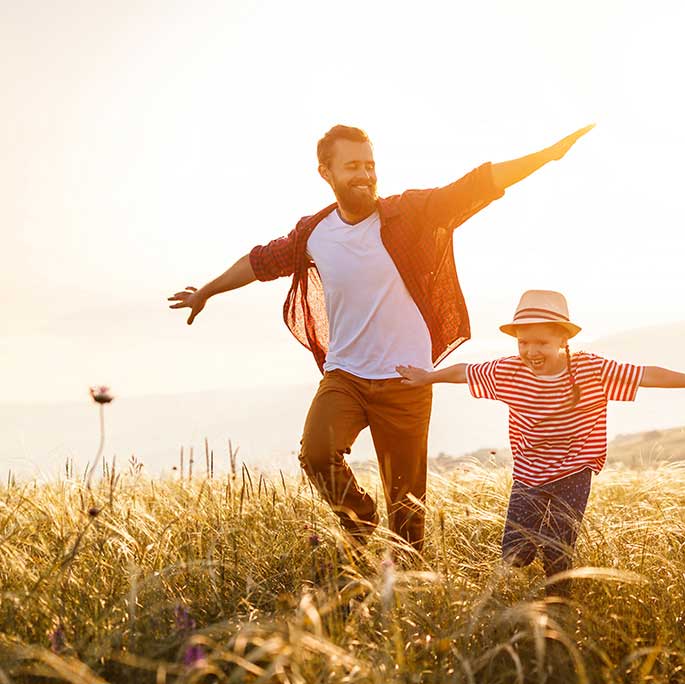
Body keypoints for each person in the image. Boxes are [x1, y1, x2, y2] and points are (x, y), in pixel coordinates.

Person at [168, 124, 594, 552]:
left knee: (408, 517)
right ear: (325, 172)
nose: (365, 175)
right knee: (317, 454)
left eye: (370, 165)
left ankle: (405, 598)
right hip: (346, 375)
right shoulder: (314, 233)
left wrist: (546, 156)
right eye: (352, 166)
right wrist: (206, 291)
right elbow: (259, 262)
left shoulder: (409, 214)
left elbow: (474, 186)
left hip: (406, 381)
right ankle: (361, 518)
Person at [396, 290, 685, 594]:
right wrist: (428, 377)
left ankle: (557, 606)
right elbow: (464, 371)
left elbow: (646, 374)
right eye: (523, 342)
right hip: (529, 474)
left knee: (559, 546)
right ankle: (508, 603)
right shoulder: (507, 372)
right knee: (514, 553)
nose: (530, 351)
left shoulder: (590, 371)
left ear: (563, 341)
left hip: (574, 470)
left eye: (541, 343)